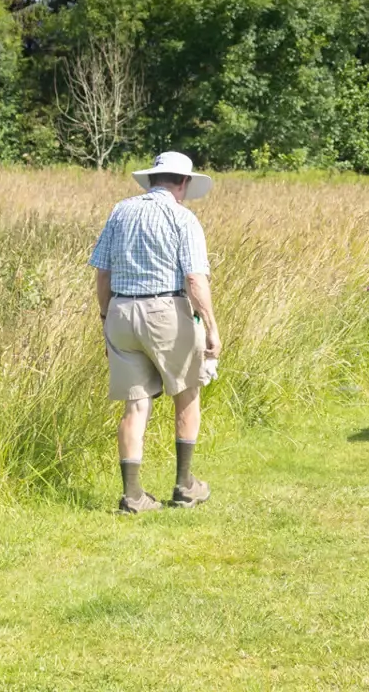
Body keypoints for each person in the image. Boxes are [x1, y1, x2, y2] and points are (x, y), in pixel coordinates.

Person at [90, 151, 223, 514]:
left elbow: (102, 274)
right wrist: (211, 327)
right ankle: (184, 485)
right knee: (187, 392)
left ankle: (132, 496)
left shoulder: (120, 211)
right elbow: (195, 279)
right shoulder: (183, 218)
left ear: (151, 180)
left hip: (120, 310)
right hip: (166, 310)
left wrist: (105, 318)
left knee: (135, 404)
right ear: (182, 183)